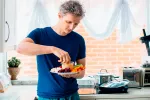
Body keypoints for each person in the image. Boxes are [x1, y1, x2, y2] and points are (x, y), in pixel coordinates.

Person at [17, 0, 86, 100]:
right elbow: (21, 48)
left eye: (76, 24)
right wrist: (52, 49)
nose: (72, 27)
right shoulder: (40, 34)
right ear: (59, 16)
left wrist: (72, 73)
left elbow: (81, 72)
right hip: (47, 96)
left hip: (72, 95)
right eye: (69, 22)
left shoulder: (79, 40)